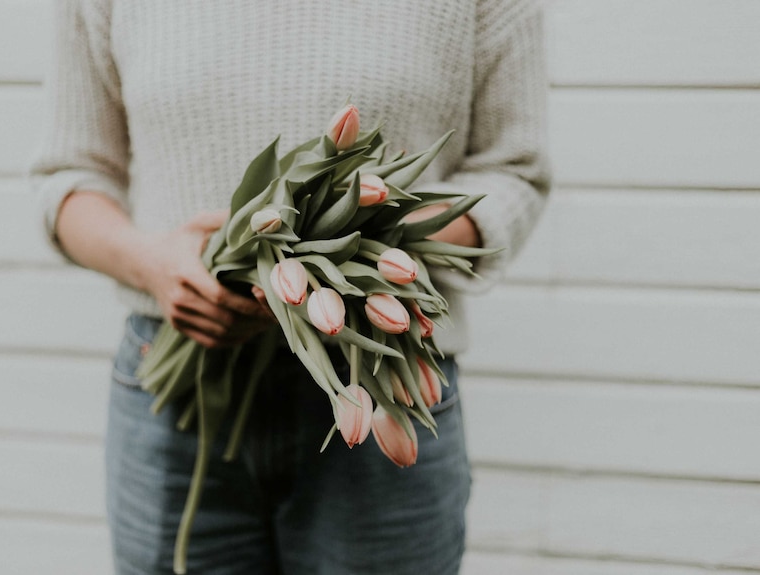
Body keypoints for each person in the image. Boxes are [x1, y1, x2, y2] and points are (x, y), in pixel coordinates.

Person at [31, 1, 550, 573]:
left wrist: (366, 236)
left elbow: (515, 173)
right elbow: (70, 177)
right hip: (176, 387)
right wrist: (150, 264)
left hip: (380, 382)